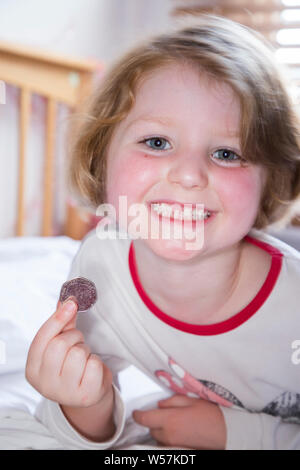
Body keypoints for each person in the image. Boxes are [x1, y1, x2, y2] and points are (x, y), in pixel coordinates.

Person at [26, 14, 300, 450]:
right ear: (102, 158)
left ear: (274, 179)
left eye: (227, 153)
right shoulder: (101, 267)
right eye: (156, 142)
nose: (190, 174)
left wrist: (239, 433)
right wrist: (86, 404)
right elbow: (81, 409)